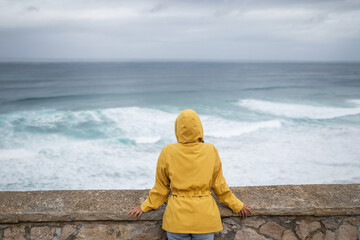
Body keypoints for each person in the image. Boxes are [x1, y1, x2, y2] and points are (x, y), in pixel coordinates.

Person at [128, 109, 252, 240]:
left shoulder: (168, 151)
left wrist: (144, 207)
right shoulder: (210, 149)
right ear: (199, 127)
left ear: (177, 129)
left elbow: (161, 188)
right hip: (205, 219)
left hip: (177, 220)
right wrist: (237, 205)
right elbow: (219, 185)